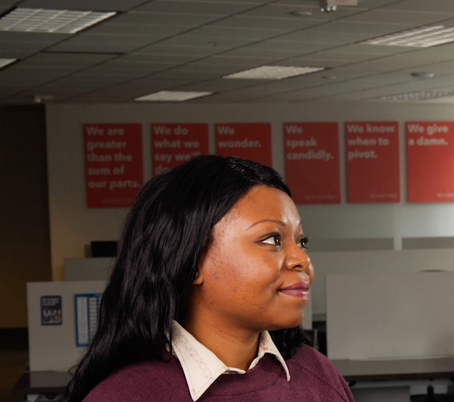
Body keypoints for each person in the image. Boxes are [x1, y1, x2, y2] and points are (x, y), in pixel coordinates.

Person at [66, 155, 354, 402]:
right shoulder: (123, 395)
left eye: (301, 242)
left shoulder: (318, 376)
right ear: (191, 262)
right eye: (271, 239)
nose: (301, 259)